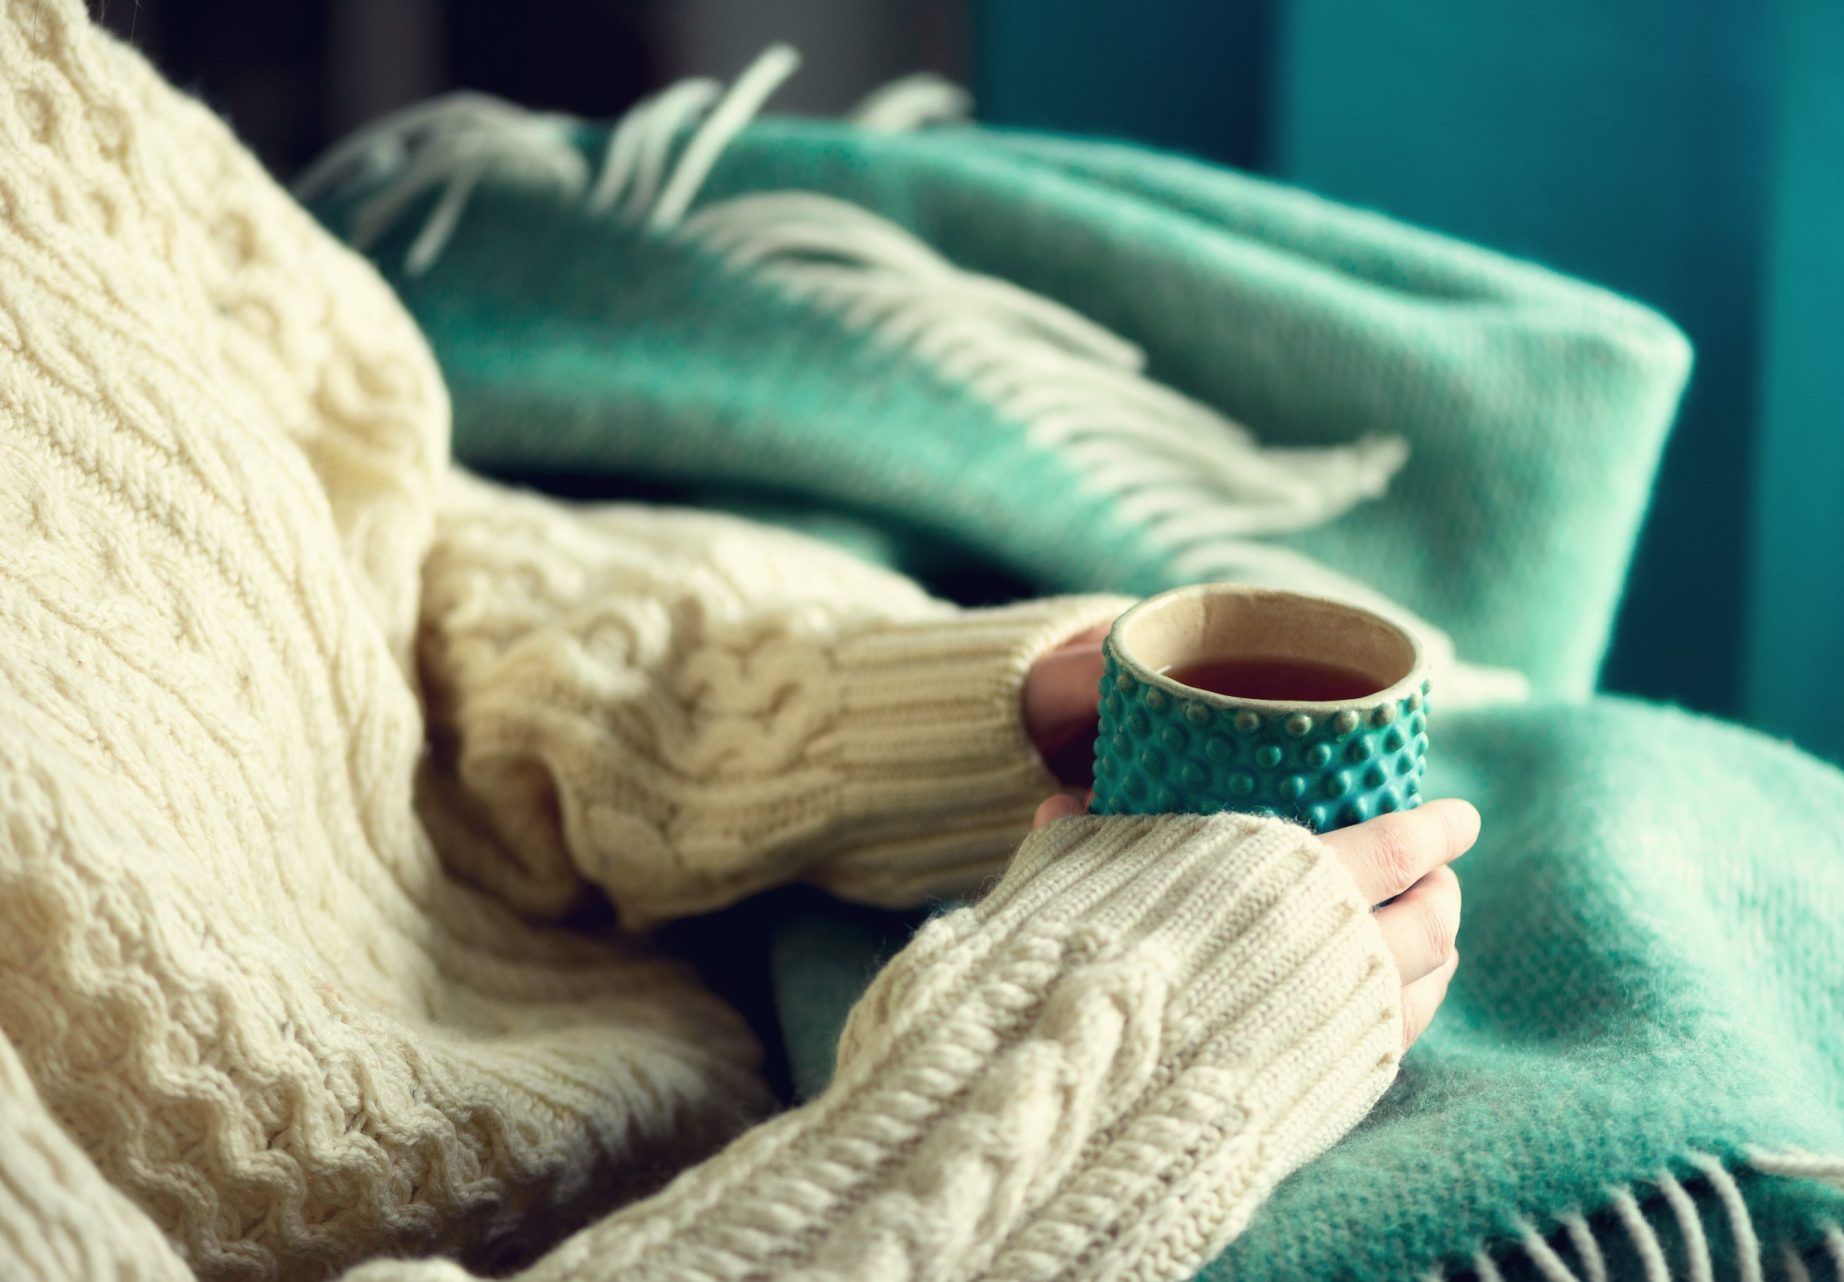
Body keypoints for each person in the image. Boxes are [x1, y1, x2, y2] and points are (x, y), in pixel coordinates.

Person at [0, 3, 1475, 1279]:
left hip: (744, 1038)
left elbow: (387, 535)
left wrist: (891, 712)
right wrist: (1124, 1054)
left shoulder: (41, 80)